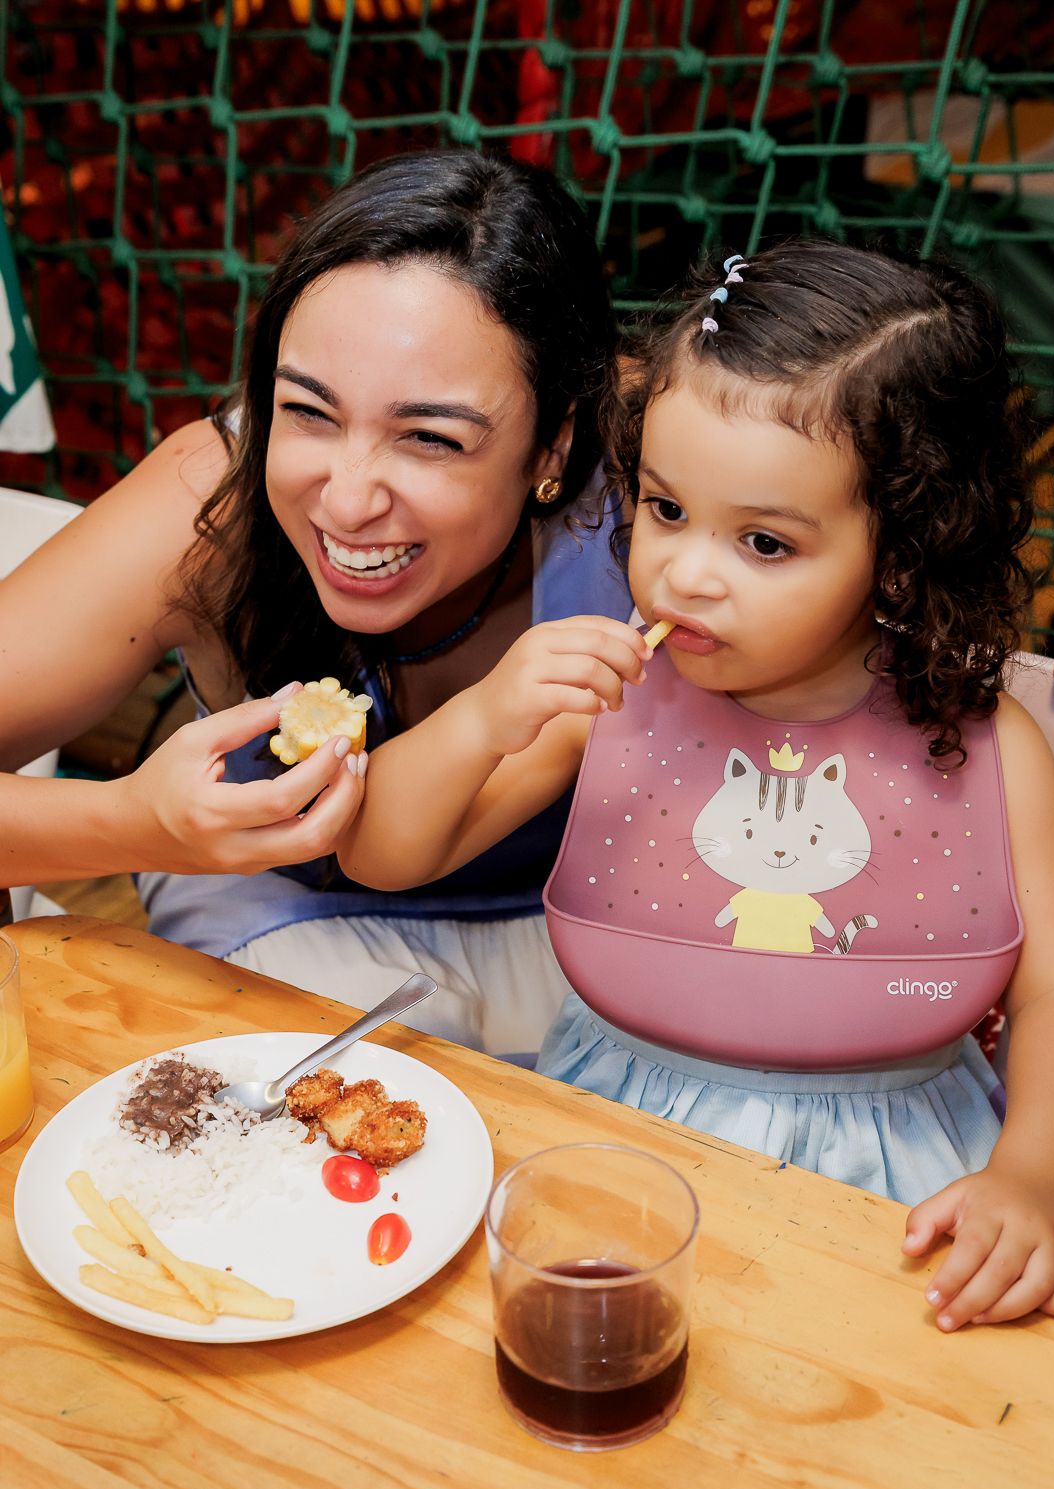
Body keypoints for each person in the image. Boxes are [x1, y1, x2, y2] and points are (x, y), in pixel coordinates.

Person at [337, 238, 1054, 1331]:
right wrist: (483, 718)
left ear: (904, 551)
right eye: (667, 510)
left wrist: (1035, 1177)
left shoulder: (993, 745)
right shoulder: (615, 692)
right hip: (614, 1140)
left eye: (763, 541)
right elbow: (381, 854)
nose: (682, 569)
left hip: (897, 1178)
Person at [0, 148, 632, 1058]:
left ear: (553, 444)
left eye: (429, 437)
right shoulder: (204, 504)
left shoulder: (664, 481)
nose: (346, 500)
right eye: (308, 412)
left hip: (587, 922)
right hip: (290, 926)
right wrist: (135, 824)